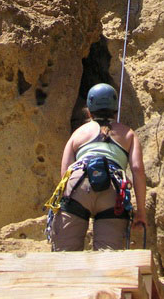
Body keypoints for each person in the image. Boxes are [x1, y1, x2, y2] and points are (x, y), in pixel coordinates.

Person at [50, 83, 146, 251]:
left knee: (64, 254)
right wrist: (141, 212)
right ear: (115, 109)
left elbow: (65, 172)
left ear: (89, 110)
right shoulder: (128, 134)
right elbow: (137, 169)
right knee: (107, 255)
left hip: (78, 184)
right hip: (112, 189)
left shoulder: (78, 133)